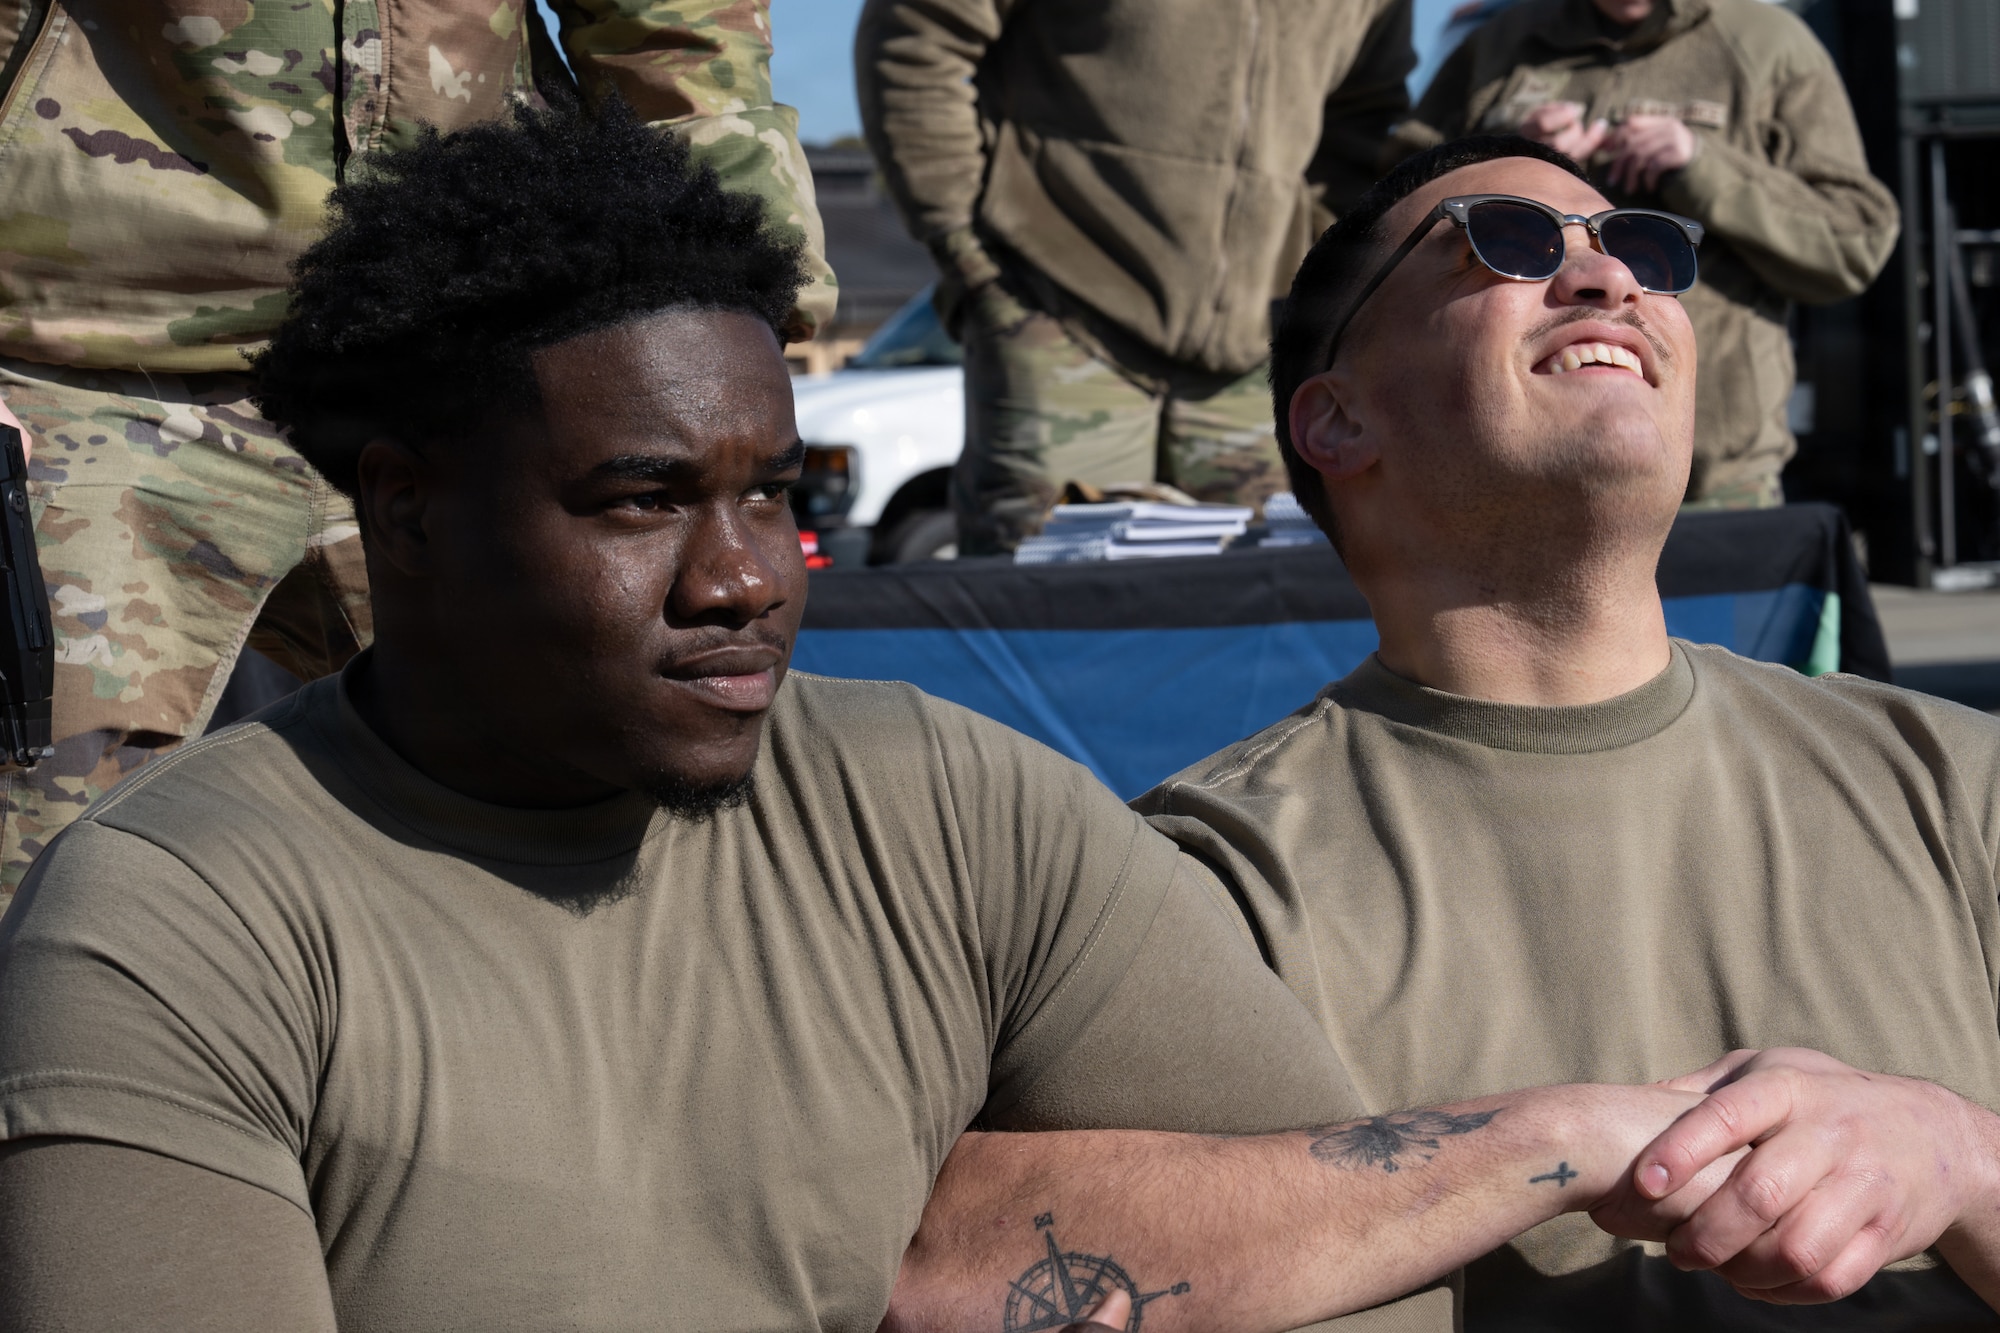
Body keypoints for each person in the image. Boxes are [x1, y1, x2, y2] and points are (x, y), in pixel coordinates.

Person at [0, 100, 1780, 1333]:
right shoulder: (173, 926)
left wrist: (1571, 1130)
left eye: (778, 494)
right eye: (637, 500)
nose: (746, 578)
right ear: (402, 509)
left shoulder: (945, 805)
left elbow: (1335, 1253)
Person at [1131, 135, 2000, 1327]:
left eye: (1639, 246)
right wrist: (1548, 1141)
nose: (1608, 281)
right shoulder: (1207, 877)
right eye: (1507, 239)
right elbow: (958, 1256)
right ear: (1334, 422)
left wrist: (1960, 1161)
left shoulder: (1955, 785)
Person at [0, 0, 834, 899]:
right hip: (82, 347)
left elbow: (674, 23)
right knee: (39, 872)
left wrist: (731, 299)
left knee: (658, 828)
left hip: (496, 342)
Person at [855, 0, 1416, 555]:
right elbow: (915, 36)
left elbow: (1363, 118)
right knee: (1047, 612)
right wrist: (968, 253)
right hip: (1058, 315)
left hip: (1258, 346)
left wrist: (1314, 280)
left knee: (1251, 616)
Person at [1402, 0, 1898, 509]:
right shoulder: (1500, 43)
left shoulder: (1768, 43)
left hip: (1709, 483)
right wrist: (1510, 160)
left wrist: (1701, 168)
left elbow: (1854, 242)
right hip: (1512, 470)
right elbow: (1394, 212)